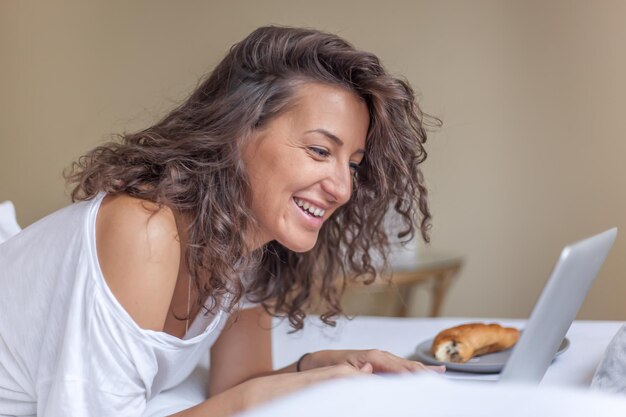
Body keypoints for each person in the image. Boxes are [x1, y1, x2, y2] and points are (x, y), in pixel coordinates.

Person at [0, 26, 440, 417]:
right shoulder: (145, 227)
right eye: (320, 151)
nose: (342, 189)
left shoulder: (244, 243)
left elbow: (236, 385)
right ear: (237, 132)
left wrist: (319, 366)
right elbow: (242, 400)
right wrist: (289, 390)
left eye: (354, 164)